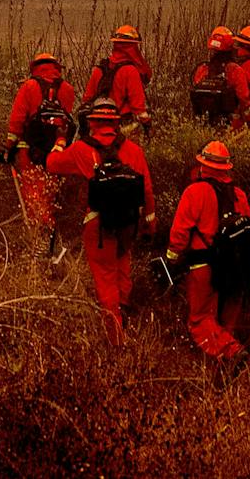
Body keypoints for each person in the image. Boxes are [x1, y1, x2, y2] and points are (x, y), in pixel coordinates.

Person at [46, 98, 156, 343]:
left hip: (98, 224)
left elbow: (52, 165)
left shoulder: (82, 149)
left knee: (105, 278)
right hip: (129, 222)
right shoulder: (134, 151)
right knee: (122, 266)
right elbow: (147, 190)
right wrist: (150, 222)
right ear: (116, 124)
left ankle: (116, 337)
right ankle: (124, 309)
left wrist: (60, 140)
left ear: (92, 122)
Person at [162, 140, 250, 362]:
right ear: (226, 168)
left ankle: (233, 352)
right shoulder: (239, 195)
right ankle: (224, 379)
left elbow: (180, 232)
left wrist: (171, 258)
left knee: (201, 321)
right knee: (226, 323)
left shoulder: (195, 192)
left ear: (203, 166)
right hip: (236, 267)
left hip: (204, 266)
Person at [3, 51, 75, 258]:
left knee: (34, 192)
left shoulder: (29, 86)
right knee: (51, 192)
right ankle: (51, 238)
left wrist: (9, 147)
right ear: (56, 67)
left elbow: (17, 120)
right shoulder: (67, 88)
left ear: (35, 67)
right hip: (57, 151)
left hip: (29, 150)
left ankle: (39, 243)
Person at [83, 24, 151, 136]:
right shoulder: (130, 70)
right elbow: (138, 105)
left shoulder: (99, 69)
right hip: (124, 123)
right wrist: (147, 123)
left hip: (98, 125)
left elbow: (87, 99)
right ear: (133, 47)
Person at [191, 29, 250, 129]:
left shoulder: (202, 69)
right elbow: (244, 99)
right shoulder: (235, 70)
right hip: (230, 126)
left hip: (204, 126)